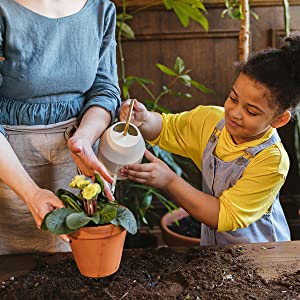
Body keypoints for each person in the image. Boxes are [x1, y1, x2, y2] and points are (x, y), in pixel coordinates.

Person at [119, 33, 300, 246]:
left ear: (279, 119)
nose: (235, 113)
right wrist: (144, 119)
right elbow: (166, 128)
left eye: (251, 111)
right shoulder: (211, 120)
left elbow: (225, 216)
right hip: (215, 249)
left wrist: (169, 180)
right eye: (233, 98)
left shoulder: (272, 161)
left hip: (263, 254)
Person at [0, 0, 120, 254]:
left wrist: (84, 138)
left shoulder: (101, 10)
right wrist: (31, 194)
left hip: (76, 165)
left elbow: (105, 91)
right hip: (10, 170)